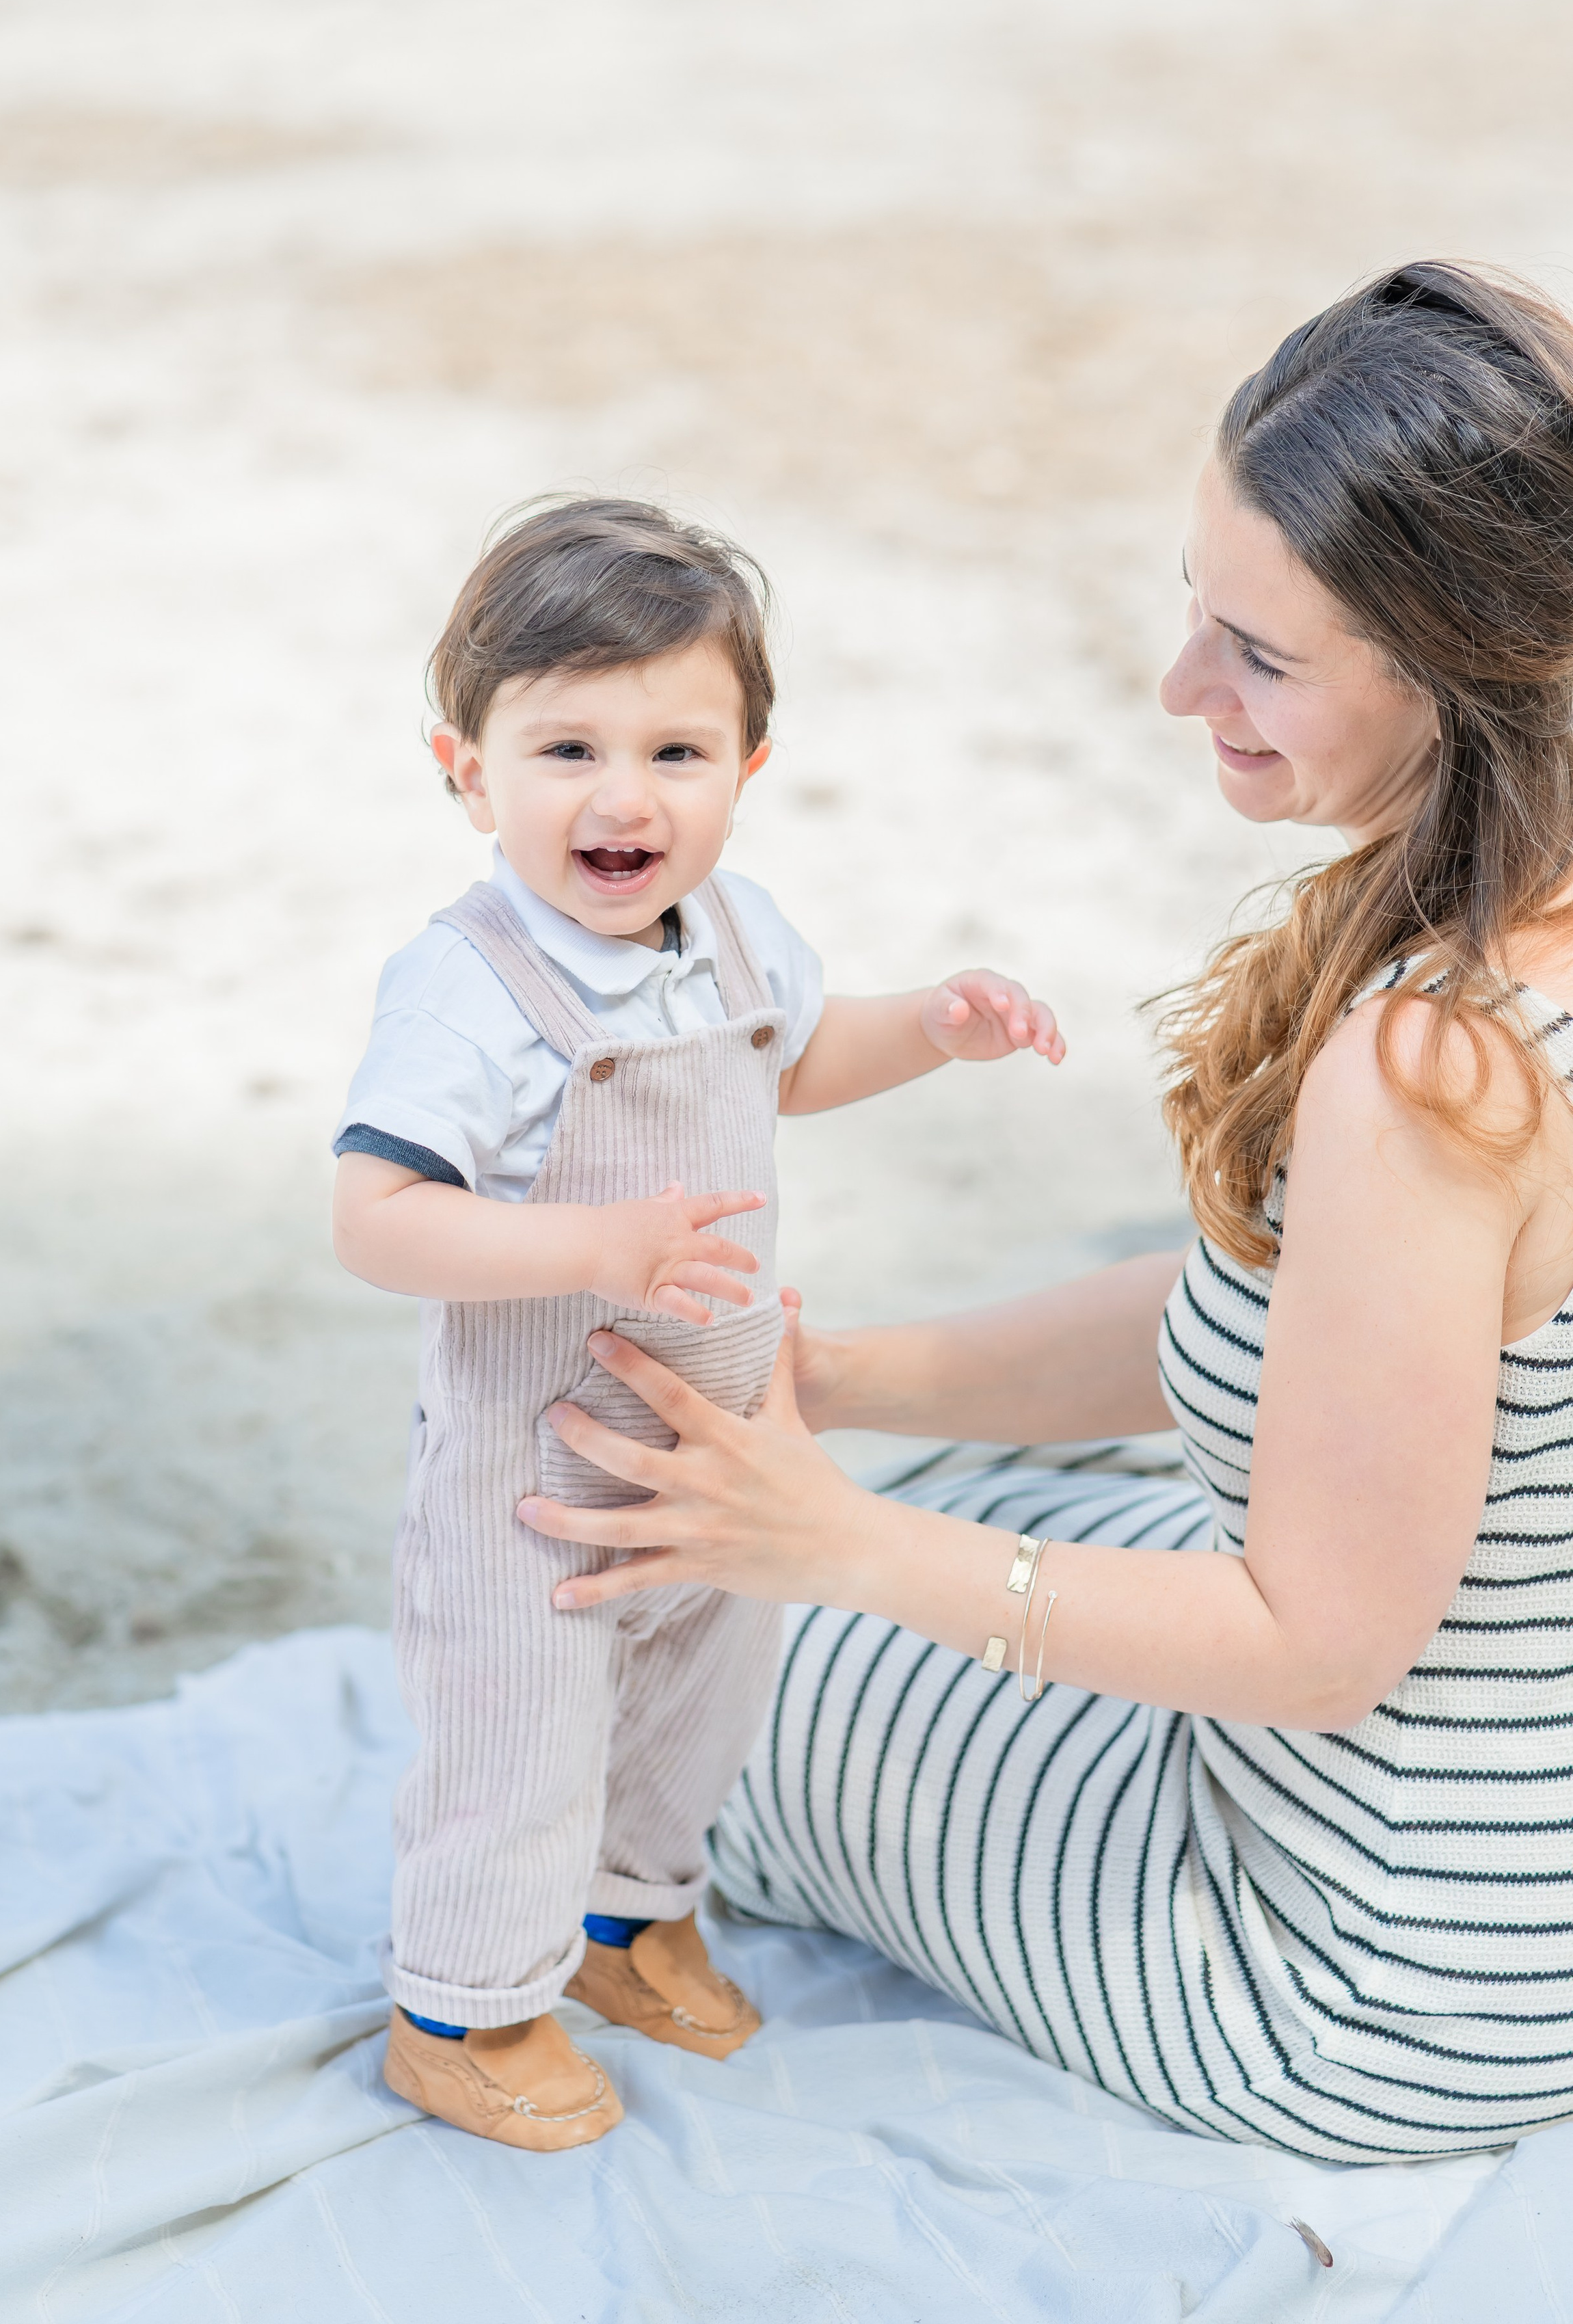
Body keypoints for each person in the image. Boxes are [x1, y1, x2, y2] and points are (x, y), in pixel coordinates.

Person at [521, 264, 1573, 2164]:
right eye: (1196, 602)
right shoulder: (1518, 951)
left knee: (677, 1654)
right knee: (979, 1512)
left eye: (1260, 650)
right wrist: (844, 1379)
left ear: (1464, 669)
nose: (1182, 684)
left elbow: (1323, 1644)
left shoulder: (1441, 1074)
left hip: (1367, 1981)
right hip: (1525, 1859)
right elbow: (1311, 1309)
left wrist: (821, 1542)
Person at [331, 497, 1064, 2150]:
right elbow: (372, 1219)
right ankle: (460, 2009)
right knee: (519, 1738)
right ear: (467, 771)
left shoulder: (733, 932)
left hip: (716, 1437)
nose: (621, 797)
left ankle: (625, 1924)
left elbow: (789, 1064)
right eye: (566, 746)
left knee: (692, 1705)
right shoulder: (469, 987)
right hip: (535, 1463)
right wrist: (588, 1240)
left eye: (675, 751)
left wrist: (931, 1030)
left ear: (747, 767)